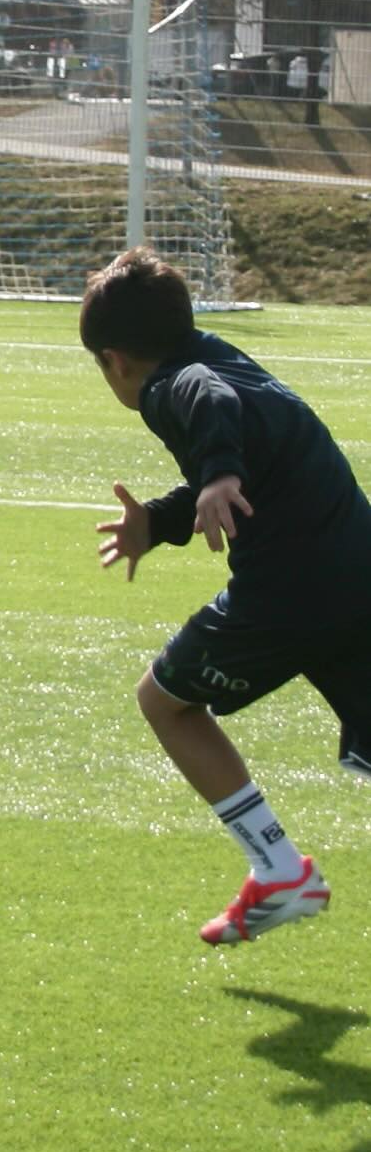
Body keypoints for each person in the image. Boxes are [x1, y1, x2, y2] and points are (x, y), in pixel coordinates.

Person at [83, 244, 371, 947]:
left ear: (114, 361)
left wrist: (216, 474)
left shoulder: (170, 386)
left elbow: (205, 402)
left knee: (164, 701)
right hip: (354, 567)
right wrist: (161, 520)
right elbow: (248, 443)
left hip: (289, 592)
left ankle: (278, 870)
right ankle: (279, 874)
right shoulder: (218, 353)